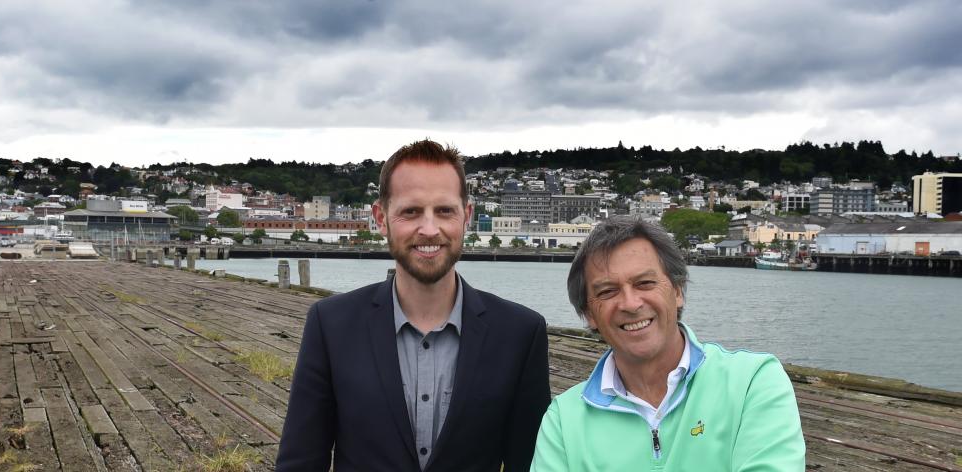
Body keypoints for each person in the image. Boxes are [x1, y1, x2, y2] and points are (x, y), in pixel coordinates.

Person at [276, 140, 550, 472]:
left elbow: (529, 464)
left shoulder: (521, 334)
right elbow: (301, 462)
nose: (430, 229)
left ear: (466, 217)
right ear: (381, 218)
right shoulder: (330, 324)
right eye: (411, 211)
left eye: (444, 211)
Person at [531, 216, 804, 471]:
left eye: (645, 283)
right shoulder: (563, 422)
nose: (630, 303)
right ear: (589, 314)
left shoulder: (752, 383)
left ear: (677, 291)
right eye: (608, 291)